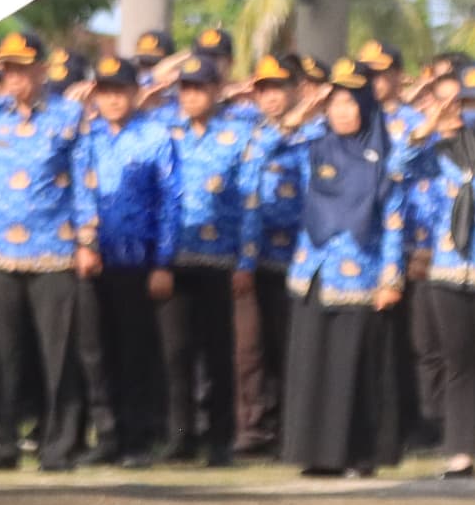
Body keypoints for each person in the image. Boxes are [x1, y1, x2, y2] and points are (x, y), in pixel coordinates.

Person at [283, 59, 408, 478]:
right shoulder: (314, 147)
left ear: (366, 108)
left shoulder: (384, 159)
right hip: (314, 272)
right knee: (313, 366)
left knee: (351, 372)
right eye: (334, 103)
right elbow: (265, 148)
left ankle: (357, 455)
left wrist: (391, 278)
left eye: (350, 103)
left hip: (360, 279)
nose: (341, 111)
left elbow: (394, 224)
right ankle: (317, 456)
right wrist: (301, 113)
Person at [0, 29, 88, 472]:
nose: (14, 77)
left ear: (41, 69)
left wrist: (86, 240)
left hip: (53, 248)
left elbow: (84, 180)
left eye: (22, 69)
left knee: (57, 355)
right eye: (7, 69)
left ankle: (58, 445)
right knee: (0, 353)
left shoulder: (68, 115)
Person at [407, 57, 475, 478]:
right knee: (457, 361)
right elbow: (400, 167)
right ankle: (461, 449)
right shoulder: (445, 150)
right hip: (449, 266)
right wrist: (431, 120)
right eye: (467, 101)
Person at [156, 55, 259, 467]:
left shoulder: (237, 137)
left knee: (219, 354)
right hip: (173, 258)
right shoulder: (165, 134)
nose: (192, 96)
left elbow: (250, 203)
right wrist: (157, 262)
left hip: (219, 261)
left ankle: (220, 440)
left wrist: (246, 261)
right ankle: (180, 438)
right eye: (186, 88)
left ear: (217, 91)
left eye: (200, 88)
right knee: (175, 354)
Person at [72, 53, 172, 467]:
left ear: (135, 93)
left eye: (121, 92)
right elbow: (80, 194)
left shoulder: (155, 137)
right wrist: (83, 243)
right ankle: (107, 434)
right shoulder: (87, 139)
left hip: (138, 261)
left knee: (135, 352)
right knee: (95, 352)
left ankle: (136, 439)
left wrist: (163, 263)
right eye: (106, 93)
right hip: (95, 259)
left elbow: (170, 202)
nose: (113, 101)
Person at [233, 57, 309, 456]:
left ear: (296, 89)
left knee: (290, 347)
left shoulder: (312, 134)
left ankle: (290, 429)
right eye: (263, 89)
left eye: (278, 88)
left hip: (296, 258)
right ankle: (254, 429)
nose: (271, 97)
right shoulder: (246, 132)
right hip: (250, 258)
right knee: (249, 350)